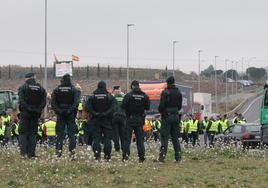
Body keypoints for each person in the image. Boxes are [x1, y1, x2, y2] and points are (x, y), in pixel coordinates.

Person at [85, 81, 116, 161]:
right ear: (105, 87)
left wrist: (95, 113)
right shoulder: (110, 97)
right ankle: (107, 156)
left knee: (96, 139)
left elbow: (87, 108)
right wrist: (106, 113)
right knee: (107, 139)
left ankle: (97, 156)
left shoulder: (92, 96)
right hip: (107, 120)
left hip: (95, 120)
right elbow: (113, 108)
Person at [18, 72, 47, 158]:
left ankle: (23, 153)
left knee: (23, 133)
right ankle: (31, 154)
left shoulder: (23, 87)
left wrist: (28, 108)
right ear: (34, 78)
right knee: (33, 134)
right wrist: (38, 110)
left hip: (25, 113)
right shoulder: (41, 88)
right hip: (35, 114)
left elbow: (21, 101)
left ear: (27, 78)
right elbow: (44, 101)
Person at [51, 74, 80, 159]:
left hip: (60, 114)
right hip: (70, 114)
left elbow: (53, 103)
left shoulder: (57, 90)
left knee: (59, 134)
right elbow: (76, 102)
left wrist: (59, 111)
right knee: (72, 134)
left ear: (62, 80)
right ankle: (72, 153)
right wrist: (70, 110)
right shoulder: (73, 90)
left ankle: (58, 153)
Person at [121, 80, 150, 162]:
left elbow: (123, 105)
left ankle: (125, 157)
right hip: (140, 119)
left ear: (132, 86)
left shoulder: (129, 95)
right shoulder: (144, 96)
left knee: (127, 139)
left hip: (129, 119)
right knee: (140, 139)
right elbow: (147, 107)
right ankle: (141, 157)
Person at [157, 76, 182, 162]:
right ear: (174, 82)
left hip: (167, 116)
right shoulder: (178, 92)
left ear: (167, 83)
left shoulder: (165, 92)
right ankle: (178, 157)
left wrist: (163, 112)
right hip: (176, 116)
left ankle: (162, 157)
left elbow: (161, 106)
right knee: (175, 138)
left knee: (164, 137)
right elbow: (180, 106)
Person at [112, 86, 126, 152]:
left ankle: (117, 147)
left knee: (115, 133)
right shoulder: (124, 97)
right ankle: (123, 147)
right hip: (123, 117)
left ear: (114, 91)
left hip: (114, 117)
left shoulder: (112, 98)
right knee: (122, 133)